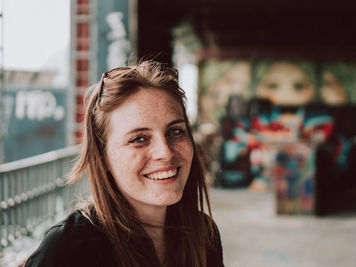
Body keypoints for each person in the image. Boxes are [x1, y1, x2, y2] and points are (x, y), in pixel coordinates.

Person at [25, 60, 224, 267]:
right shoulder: (66, 252)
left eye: (175, 131)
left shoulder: (203, 233)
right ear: (103, 158)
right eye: (139, 139)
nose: (165, 152)